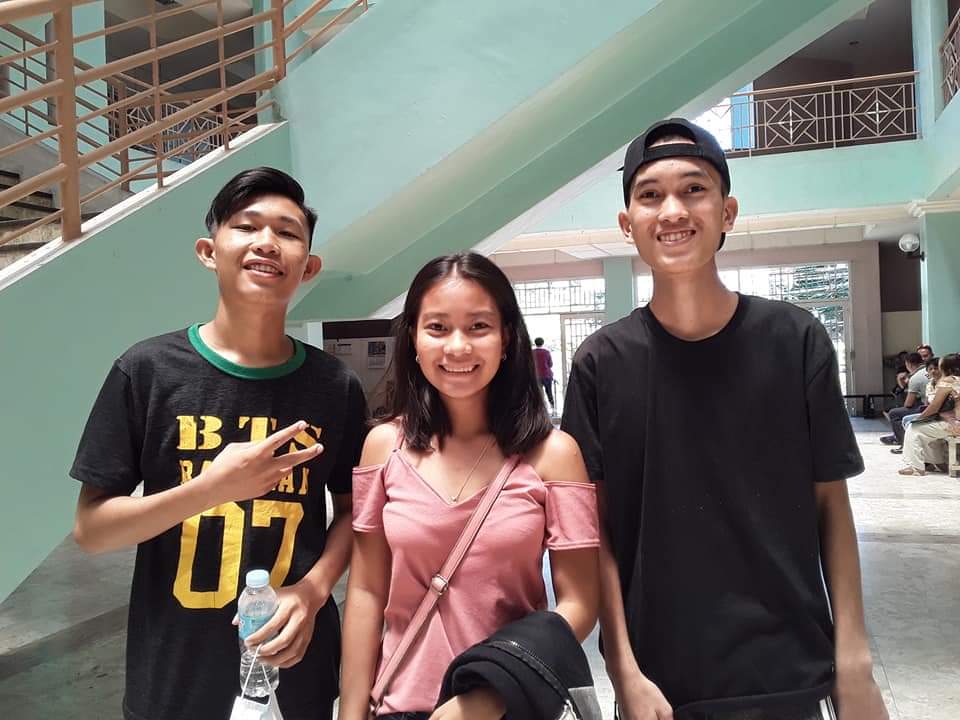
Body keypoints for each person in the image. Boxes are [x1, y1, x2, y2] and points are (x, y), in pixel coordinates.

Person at [562, 118, 887, 720]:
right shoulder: (602, 364)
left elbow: (829, 506)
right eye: (650, 195)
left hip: (786, 671)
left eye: (694, 189)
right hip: (661, 687)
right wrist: (623, 671)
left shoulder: (795, 340)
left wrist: (854, 657)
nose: (673, 210)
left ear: (728, 211)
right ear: (627, 224)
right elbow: (596, 532)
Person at [70, 168, 368, 720]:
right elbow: (91, 530)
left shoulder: (334, 386)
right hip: (174, 673)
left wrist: (314, 589)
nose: (266, 242)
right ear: (209, 251)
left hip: (296, 668)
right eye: (246, 226)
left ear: (310, 266)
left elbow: (355, 514)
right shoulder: (148, 371)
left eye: (288, 232)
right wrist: (212, 488)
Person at [338, 252, 600, 720]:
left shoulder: (555, 454)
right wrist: (351, 714)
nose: (457, 347)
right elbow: (366, 591)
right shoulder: (382, 448)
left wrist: (490, 693)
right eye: (437, 328)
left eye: (478, 327)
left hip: (508, 707)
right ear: (414, 341)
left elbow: (581, 602)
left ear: (506, 340)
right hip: (400, 707)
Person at [899, 353, 960, 477]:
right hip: (954, 420)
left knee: (914, 428)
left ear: (946, 367)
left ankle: (916, 467)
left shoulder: (948, 381)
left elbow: (934, 407)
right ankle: (939, 462)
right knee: (928, 429)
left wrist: (919, 419)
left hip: (955, 424)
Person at [881, 352, 927, 452]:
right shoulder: (928, 371)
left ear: (908, 364)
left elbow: (908, 404)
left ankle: (903, 444)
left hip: (925, 407)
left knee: (894, 413)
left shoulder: (915, 378)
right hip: (935, 404)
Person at [533, 337, 556, 410]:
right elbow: (550, 364)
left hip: (536, 376)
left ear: (535, 343)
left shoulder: (532, 352)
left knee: (538, 394)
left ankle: (539, 409)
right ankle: (553, 408)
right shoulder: (546, 352)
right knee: (549, 392)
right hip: (546, 375)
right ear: (542, 343)